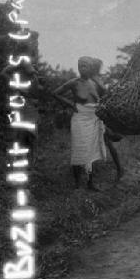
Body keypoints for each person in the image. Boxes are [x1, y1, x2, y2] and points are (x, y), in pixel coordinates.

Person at [53, 56, 107, 191]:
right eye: (80, 65)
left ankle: (90, 183)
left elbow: (106, 96)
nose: (82, 68)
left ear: (90, 68)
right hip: (80, 117)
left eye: (85, 65)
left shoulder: (95, 83)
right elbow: (55, 93)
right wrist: (71, 104)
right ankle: (77, 184)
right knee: (79, 149)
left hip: (94, 118)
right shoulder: (74, 82)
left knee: (91, 151)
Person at [90, 58, 124, 182]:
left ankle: (118, 169)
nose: (98, 68)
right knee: (105, 142)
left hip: (98, 113)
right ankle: (118, 169)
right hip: (94, 113)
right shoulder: (94, 79)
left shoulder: (96, 79)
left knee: (104, 143)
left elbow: (102, 95)